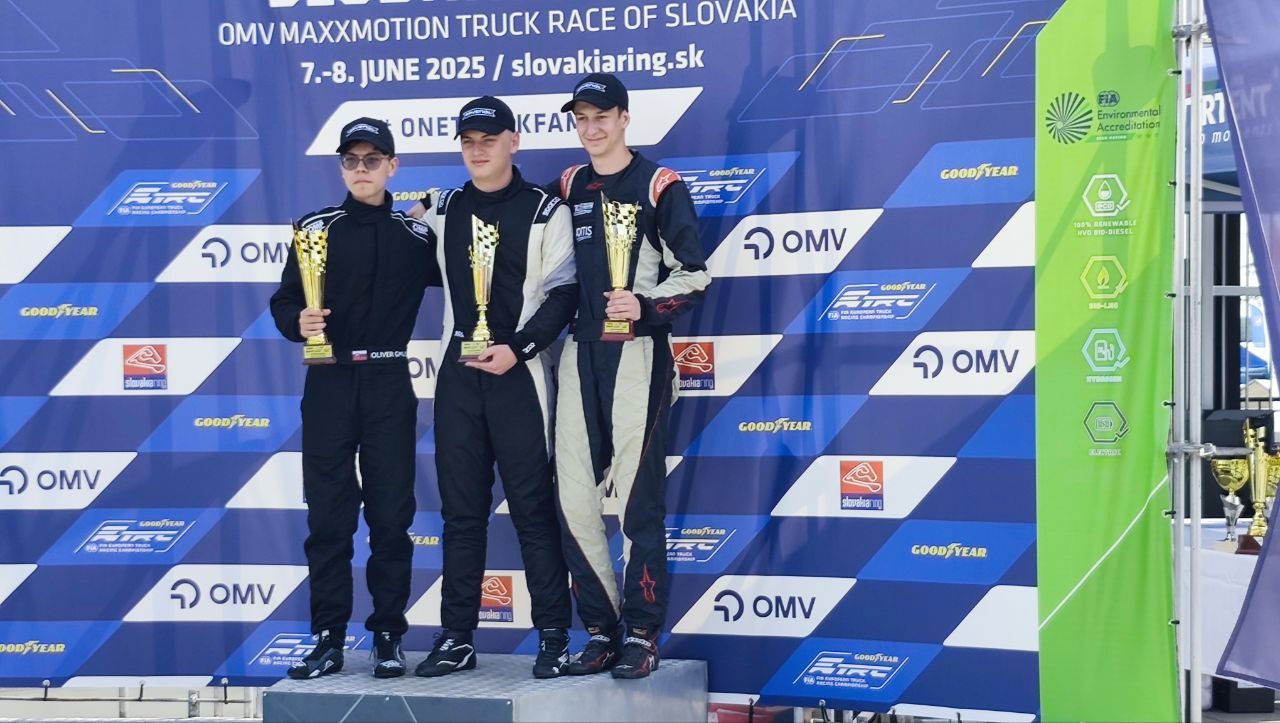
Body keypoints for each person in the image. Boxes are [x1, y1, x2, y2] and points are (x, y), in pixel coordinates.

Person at [411, 96, 578, 679]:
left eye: (488, 139)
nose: (477, 150)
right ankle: (457, 638)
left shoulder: (546, 211)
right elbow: (393, 252)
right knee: (461, 516)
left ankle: (554, 637)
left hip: (519, 376)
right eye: (468, 141)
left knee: (533, 512)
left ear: (514, 141)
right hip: (458, 379)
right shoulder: (442, 206)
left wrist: (519, 348)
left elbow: (564, 293)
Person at [551, 74, 711, 679]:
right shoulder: (568, 184)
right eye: (581, 118)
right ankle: (599, 629)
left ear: (624, 118)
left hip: (640, 355)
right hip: (579, 354)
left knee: (639, 503)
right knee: (572, 500)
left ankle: (642, 634)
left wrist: (643, 306)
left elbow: (694, 276)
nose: (591, 128)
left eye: (601, 116)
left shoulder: (660, 184)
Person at [269, 117, 437, 679]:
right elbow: (284, 301)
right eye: (351, 160)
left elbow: (471, 277)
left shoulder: (417, 236)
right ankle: (327, 639)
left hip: (389, 382)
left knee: (391, 518)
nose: (361, 169)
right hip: (329, 383)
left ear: (393, 166)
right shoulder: (314, 229)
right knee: (329, 519)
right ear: (342, 167)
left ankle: (388, 635)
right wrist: (298, 321)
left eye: (372, 159)